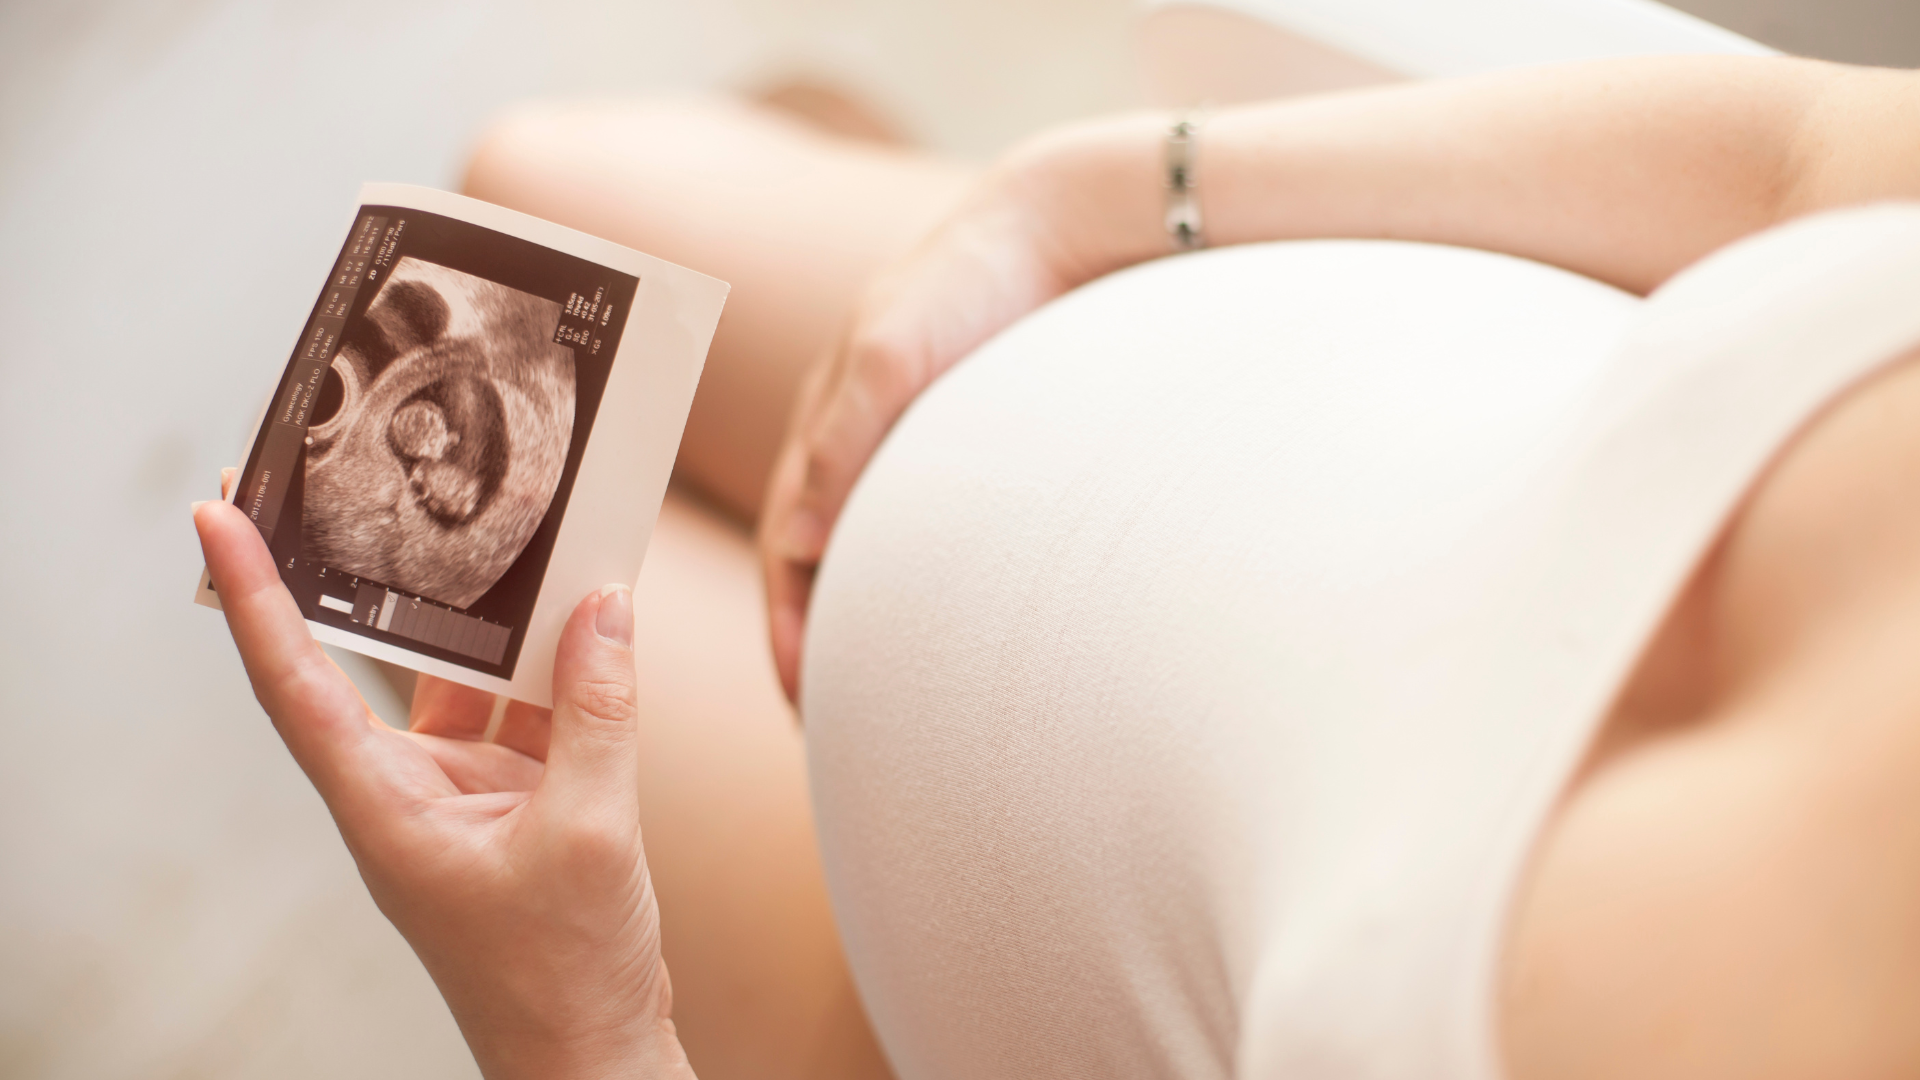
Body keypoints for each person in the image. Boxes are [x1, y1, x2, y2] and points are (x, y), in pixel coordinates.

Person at [194, 52, 1920, 1079]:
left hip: (914, 970)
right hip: (1184, 316)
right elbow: (1813, 150)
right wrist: (1098, 190)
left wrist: (580, 1022)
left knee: (411, 587)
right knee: (536, 183)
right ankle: (875, 163)